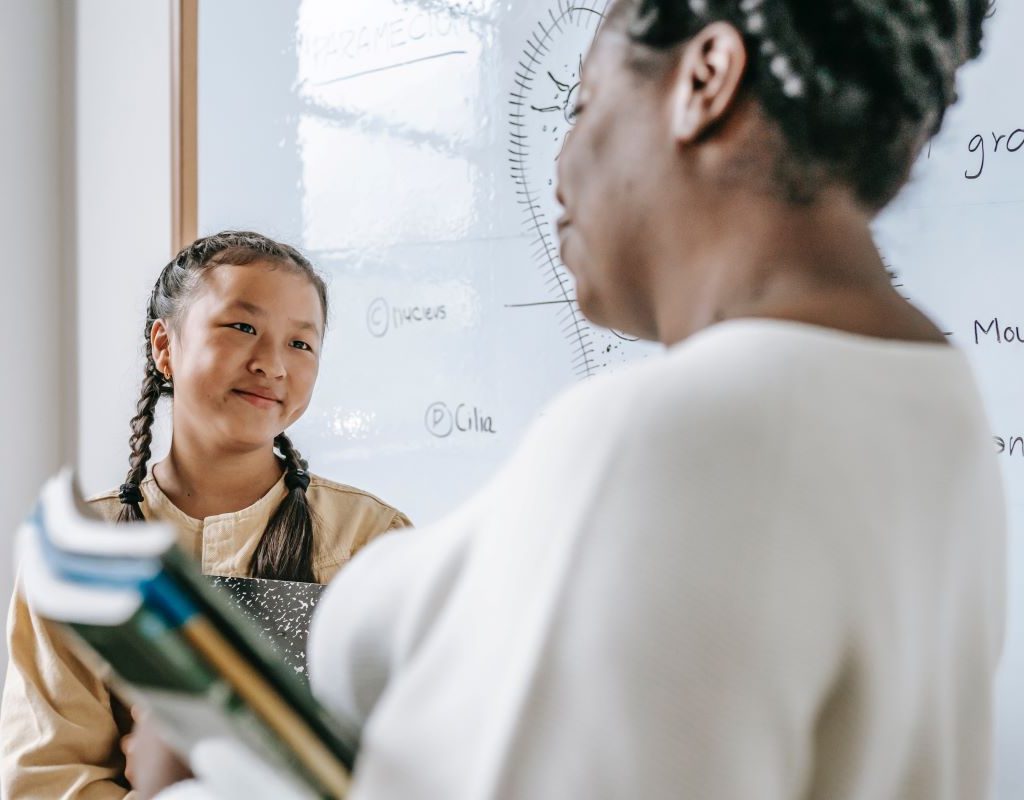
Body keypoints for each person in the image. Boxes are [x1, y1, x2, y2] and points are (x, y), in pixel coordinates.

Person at [145, 0, 1012, 796]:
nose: (561, 163)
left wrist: (200, 773)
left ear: (704, 83)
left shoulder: (670, 440)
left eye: (583, 106)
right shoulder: (937, 415)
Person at [0, 231, 411, 799]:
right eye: (242, 327)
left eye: (301, 344)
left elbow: (416, 756)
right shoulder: (84, 552)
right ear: (165, 346)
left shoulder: (371, 541)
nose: (271, 363)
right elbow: (45, 775)